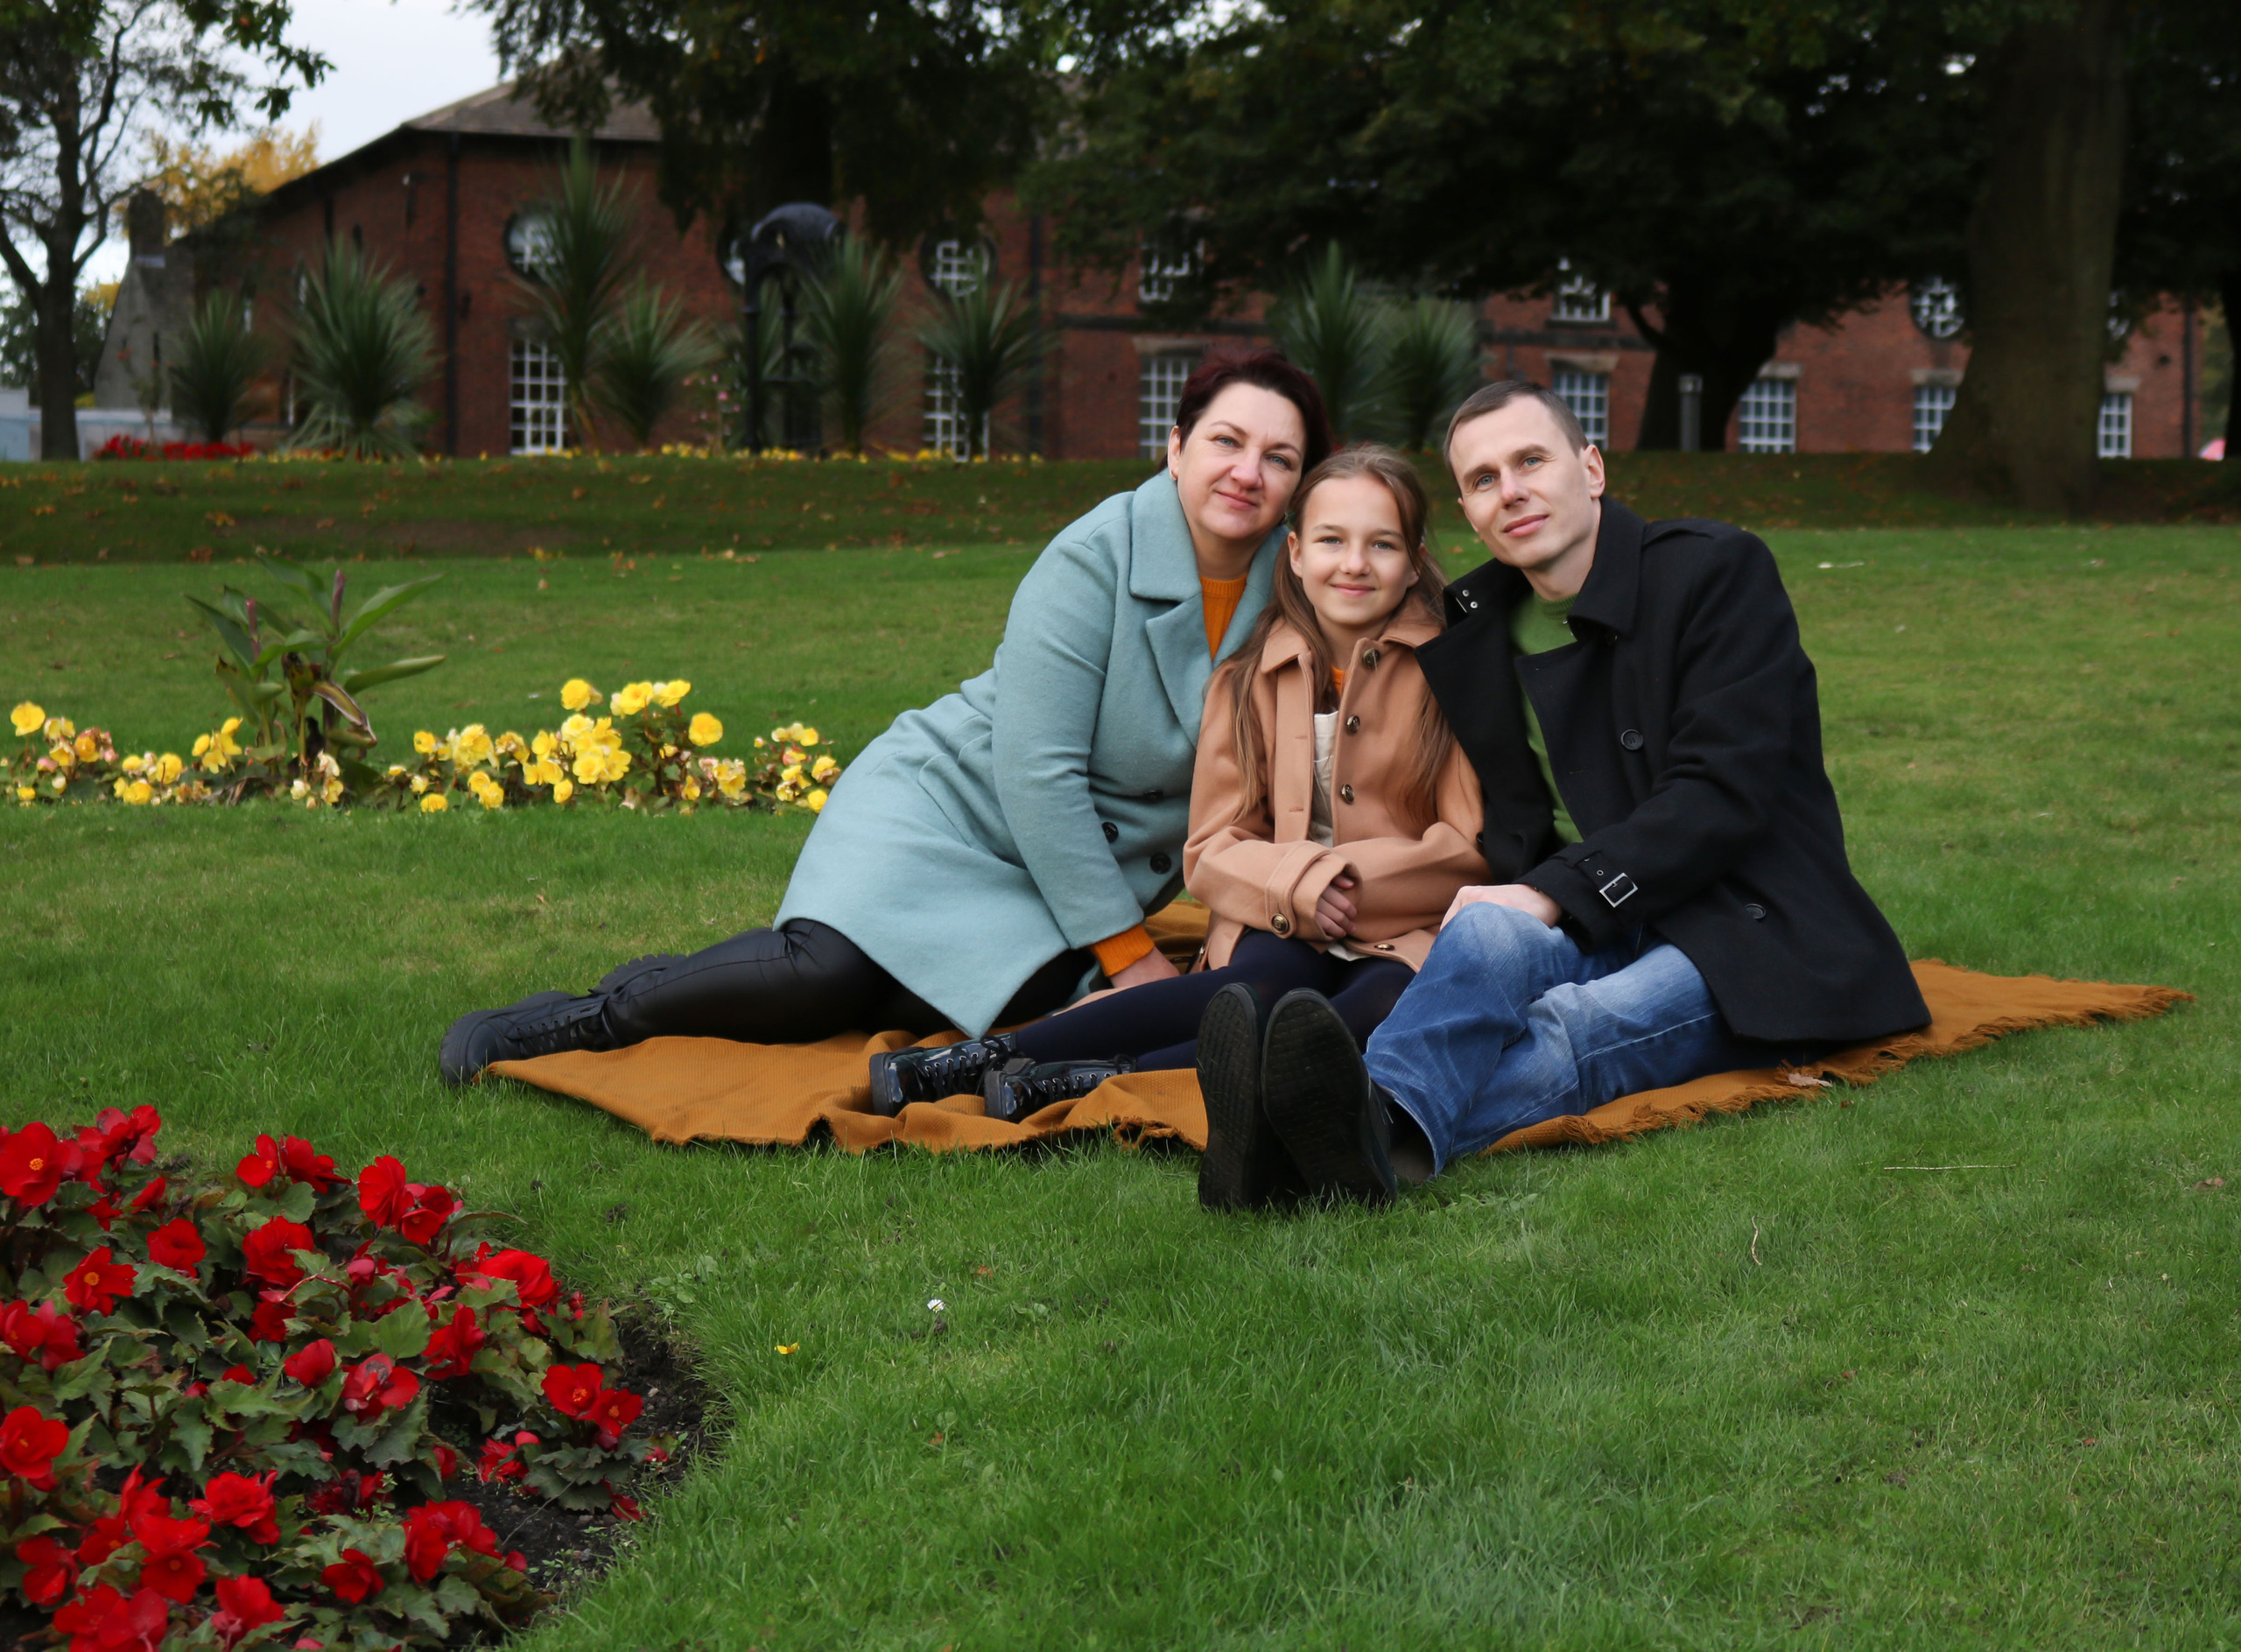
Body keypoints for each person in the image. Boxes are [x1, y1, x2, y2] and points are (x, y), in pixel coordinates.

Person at [438, 351, 1331, 1084]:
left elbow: (1284, 770)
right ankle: (589, 1017)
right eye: (1226, 441)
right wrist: (1132, 961)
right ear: (1176, 448)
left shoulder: (1296, 588)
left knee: (934, 1002)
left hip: (1060, 874)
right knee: (825, 981)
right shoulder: (1092, 557)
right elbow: (1035, 772)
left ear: (1298, 485)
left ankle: (661, 987)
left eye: (1279, 458)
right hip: (949, 808)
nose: (1247, 473)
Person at [1193, 378, 1931, 1207]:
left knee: (1580, 1021)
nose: (1510, 491)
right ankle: (1347, 1140)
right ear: (1469, 515)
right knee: (1481, 943)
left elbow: (1723, 793)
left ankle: (1331, 1147)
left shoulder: (1715, 571)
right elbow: (1508, 816)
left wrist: (1551, 894)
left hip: (1747, 922)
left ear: (1591, 468)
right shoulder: (1478, 624)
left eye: (1530, 460)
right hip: (1603, 912)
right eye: (1481, 479)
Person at [865, 447, 1489, 1148]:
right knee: (1250, 995)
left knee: (1350, 1024)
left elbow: (1470, 847)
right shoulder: (1248, 678)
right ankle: (980, 1060)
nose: (1354, 563)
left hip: (1400, 930)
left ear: (1413, 561)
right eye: (1332, 541)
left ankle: (1087, 1079)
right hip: (1276, 914)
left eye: (1382, 544)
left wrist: (1342, 882)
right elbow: (1211, 849)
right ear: (1294, 552)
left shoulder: (1454, 673)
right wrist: (1296, 884)